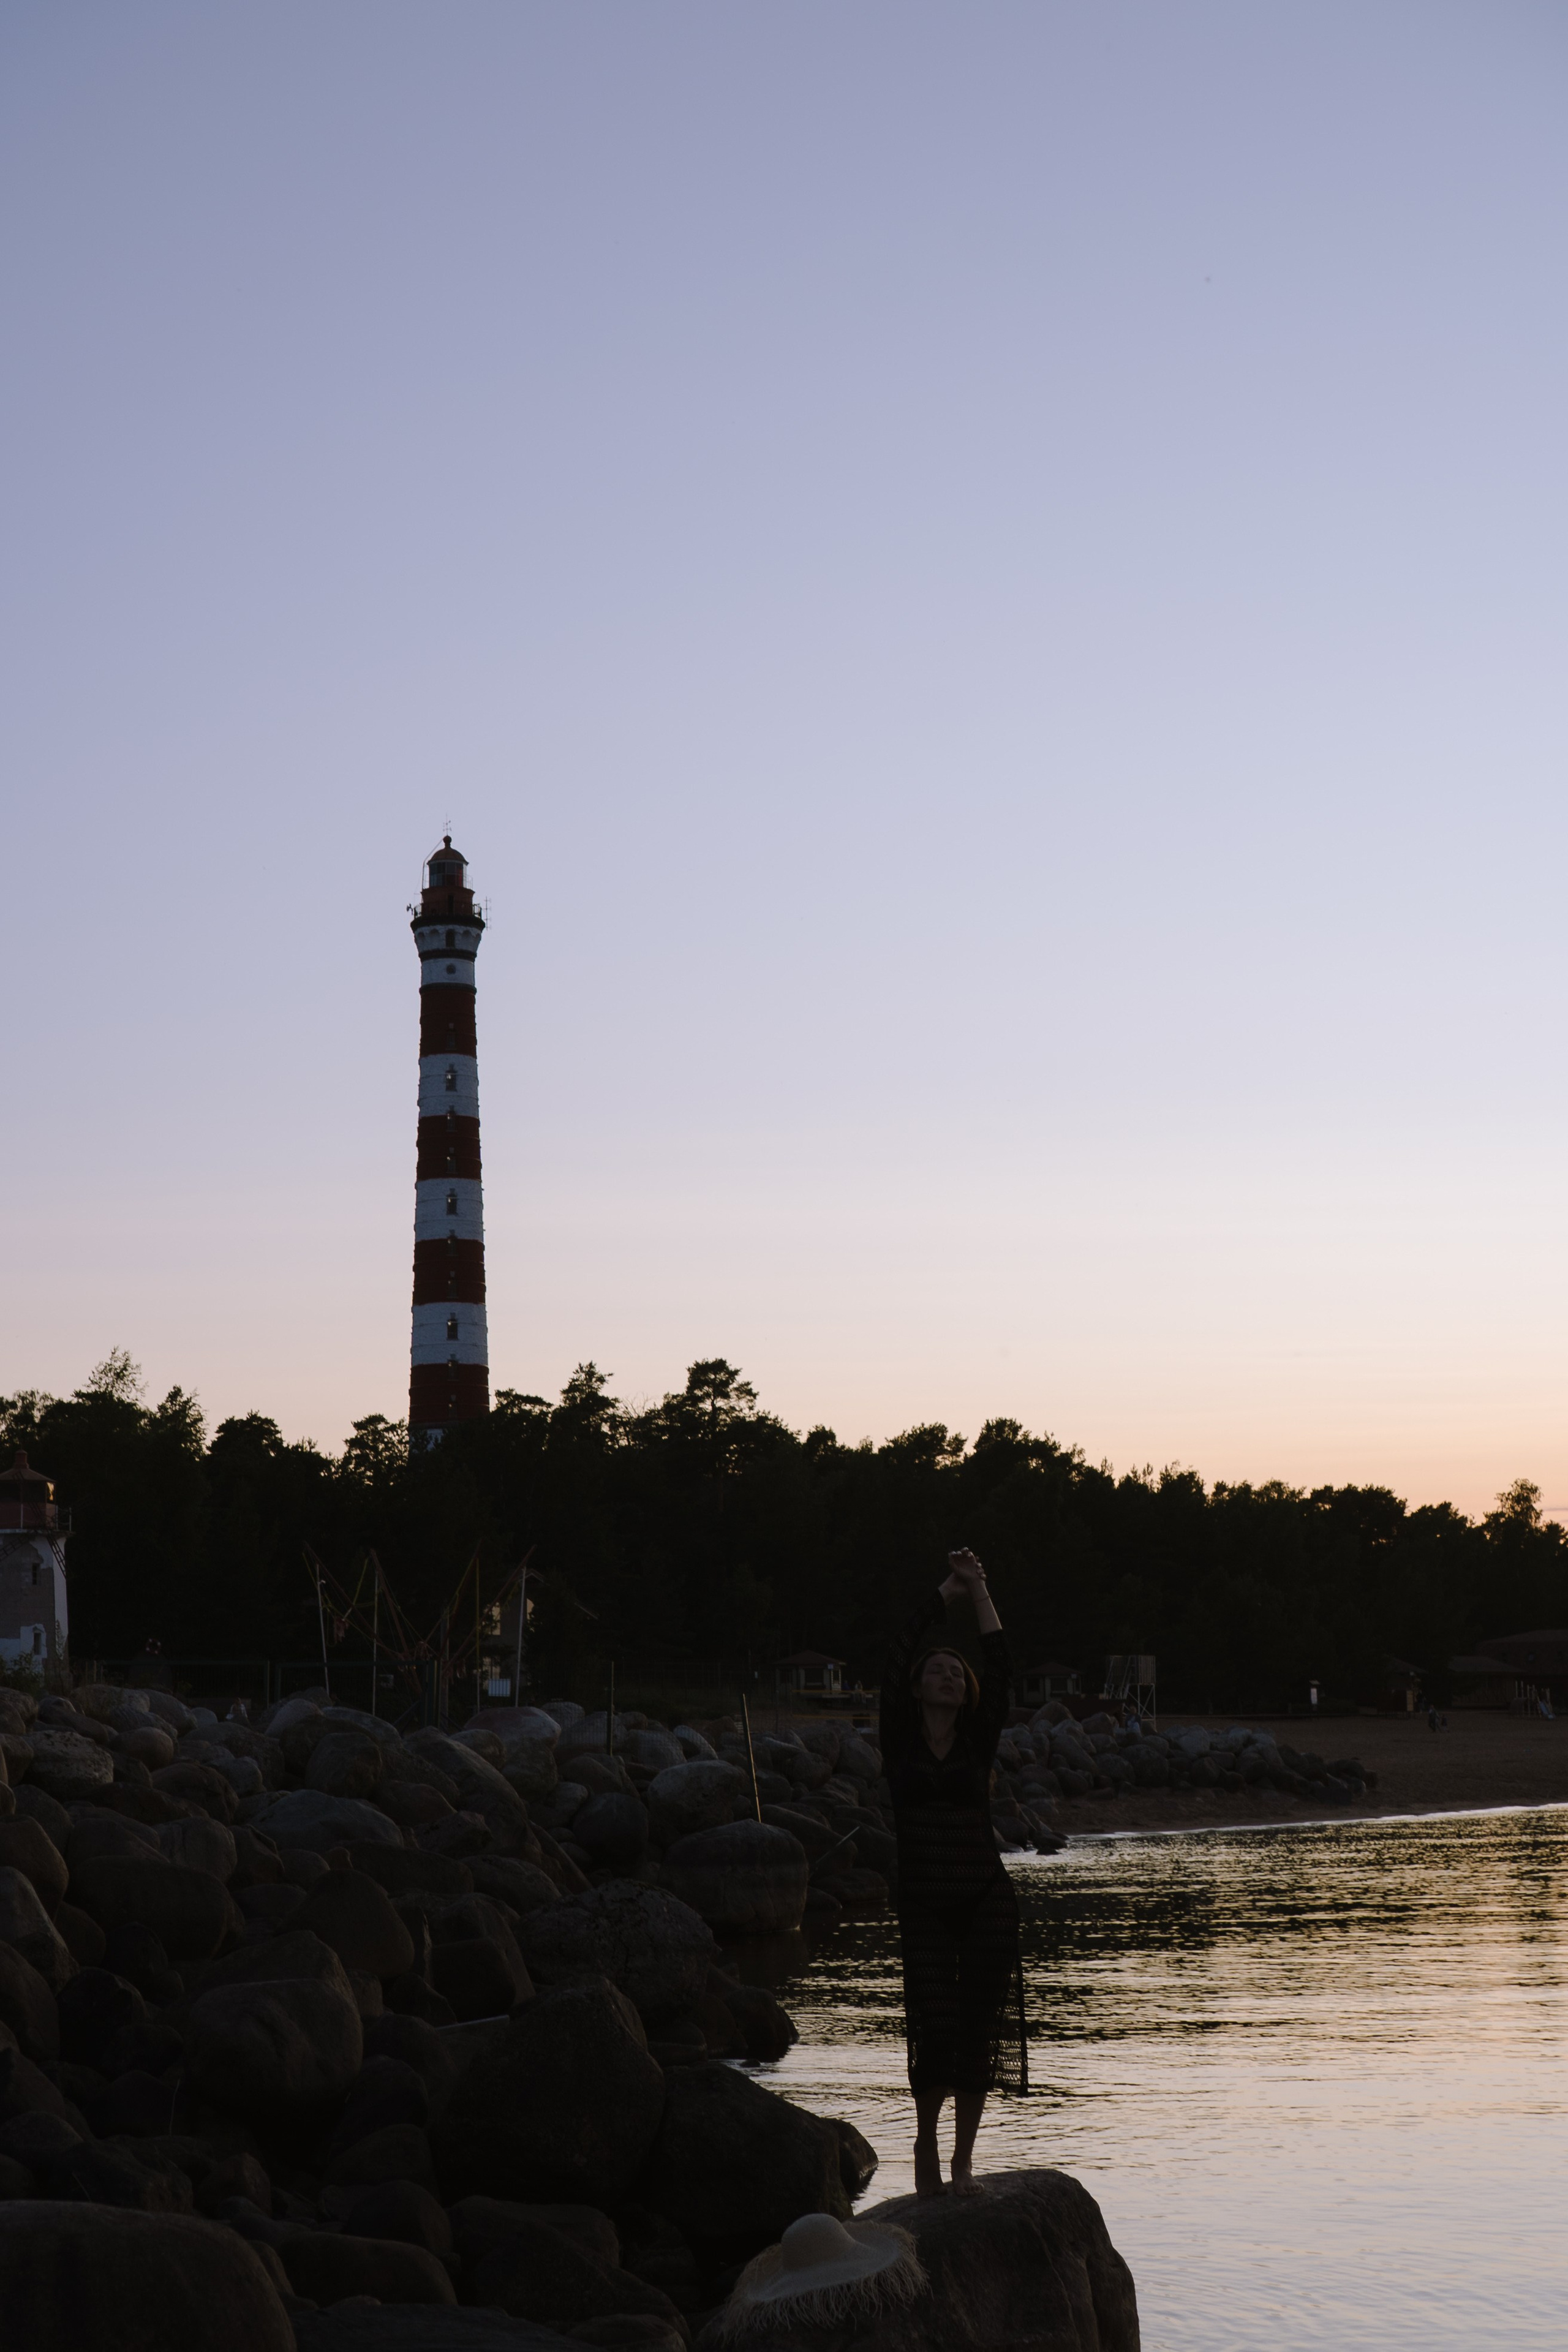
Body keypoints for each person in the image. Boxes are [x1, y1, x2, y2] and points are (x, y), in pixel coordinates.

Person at [880, 1548, 1027, 2199]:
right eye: (936, 1671)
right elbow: (898, 1651)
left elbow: (1000, 1666)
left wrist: (981, 1588)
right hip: (925, 1904)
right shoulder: (899, 1740)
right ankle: (925, 2143)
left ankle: (964, 2161)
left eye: (955, 1673)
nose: (948, 1677)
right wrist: (948, 1589)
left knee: (977, 2032)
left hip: (985, 1898)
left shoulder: (976, 1740)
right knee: (933, 2028)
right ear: (917, 1688)